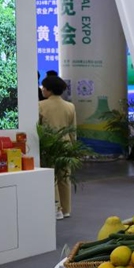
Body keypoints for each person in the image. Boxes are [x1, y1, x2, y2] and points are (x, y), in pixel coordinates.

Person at [38, 75, 77, 220]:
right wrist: (74, 148)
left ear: (48, 90)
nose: (42, 89)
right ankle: (66, 209)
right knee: (64, 177)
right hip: (66, 145)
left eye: (43, 87)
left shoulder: (40, 105)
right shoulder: (70, 106)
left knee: (52, 178)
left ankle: (56, 209)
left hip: (49, 146)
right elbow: (73, 130)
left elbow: (38, 128)